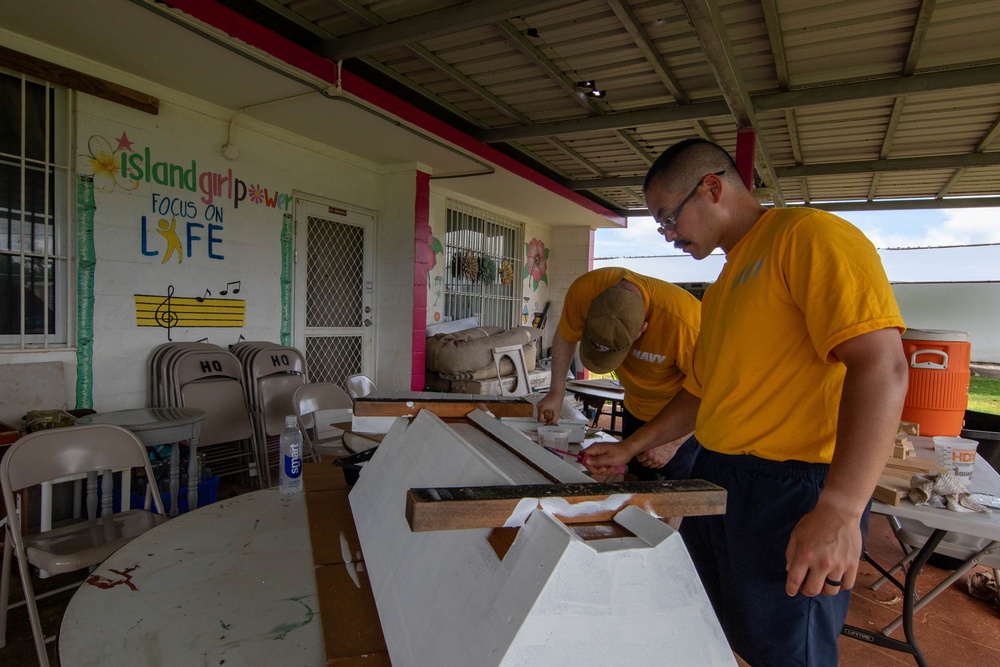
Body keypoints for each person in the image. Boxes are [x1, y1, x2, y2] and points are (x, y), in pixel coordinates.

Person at [583, 138, 909, 666]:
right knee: (719, 629)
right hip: (722, 477)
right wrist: (630, 447)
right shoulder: (729, 277)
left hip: (794, 486)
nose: (668, 237)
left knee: (786, 649)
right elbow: (703, 390)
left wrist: (841, 509)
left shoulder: (808, 237)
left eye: (669, 220)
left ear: (712, 188)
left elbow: (883, 366)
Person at [536, 266, 701, 481]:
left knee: (671, 495)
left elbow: (710, 393)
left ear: (642, 329)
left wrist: (673, 443)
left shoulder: (686, 325)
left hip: (680, 419)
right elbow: (566, 335)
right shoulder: (585, 291)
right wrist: (556, 393)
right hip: (635, 406)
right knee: (633, 482)